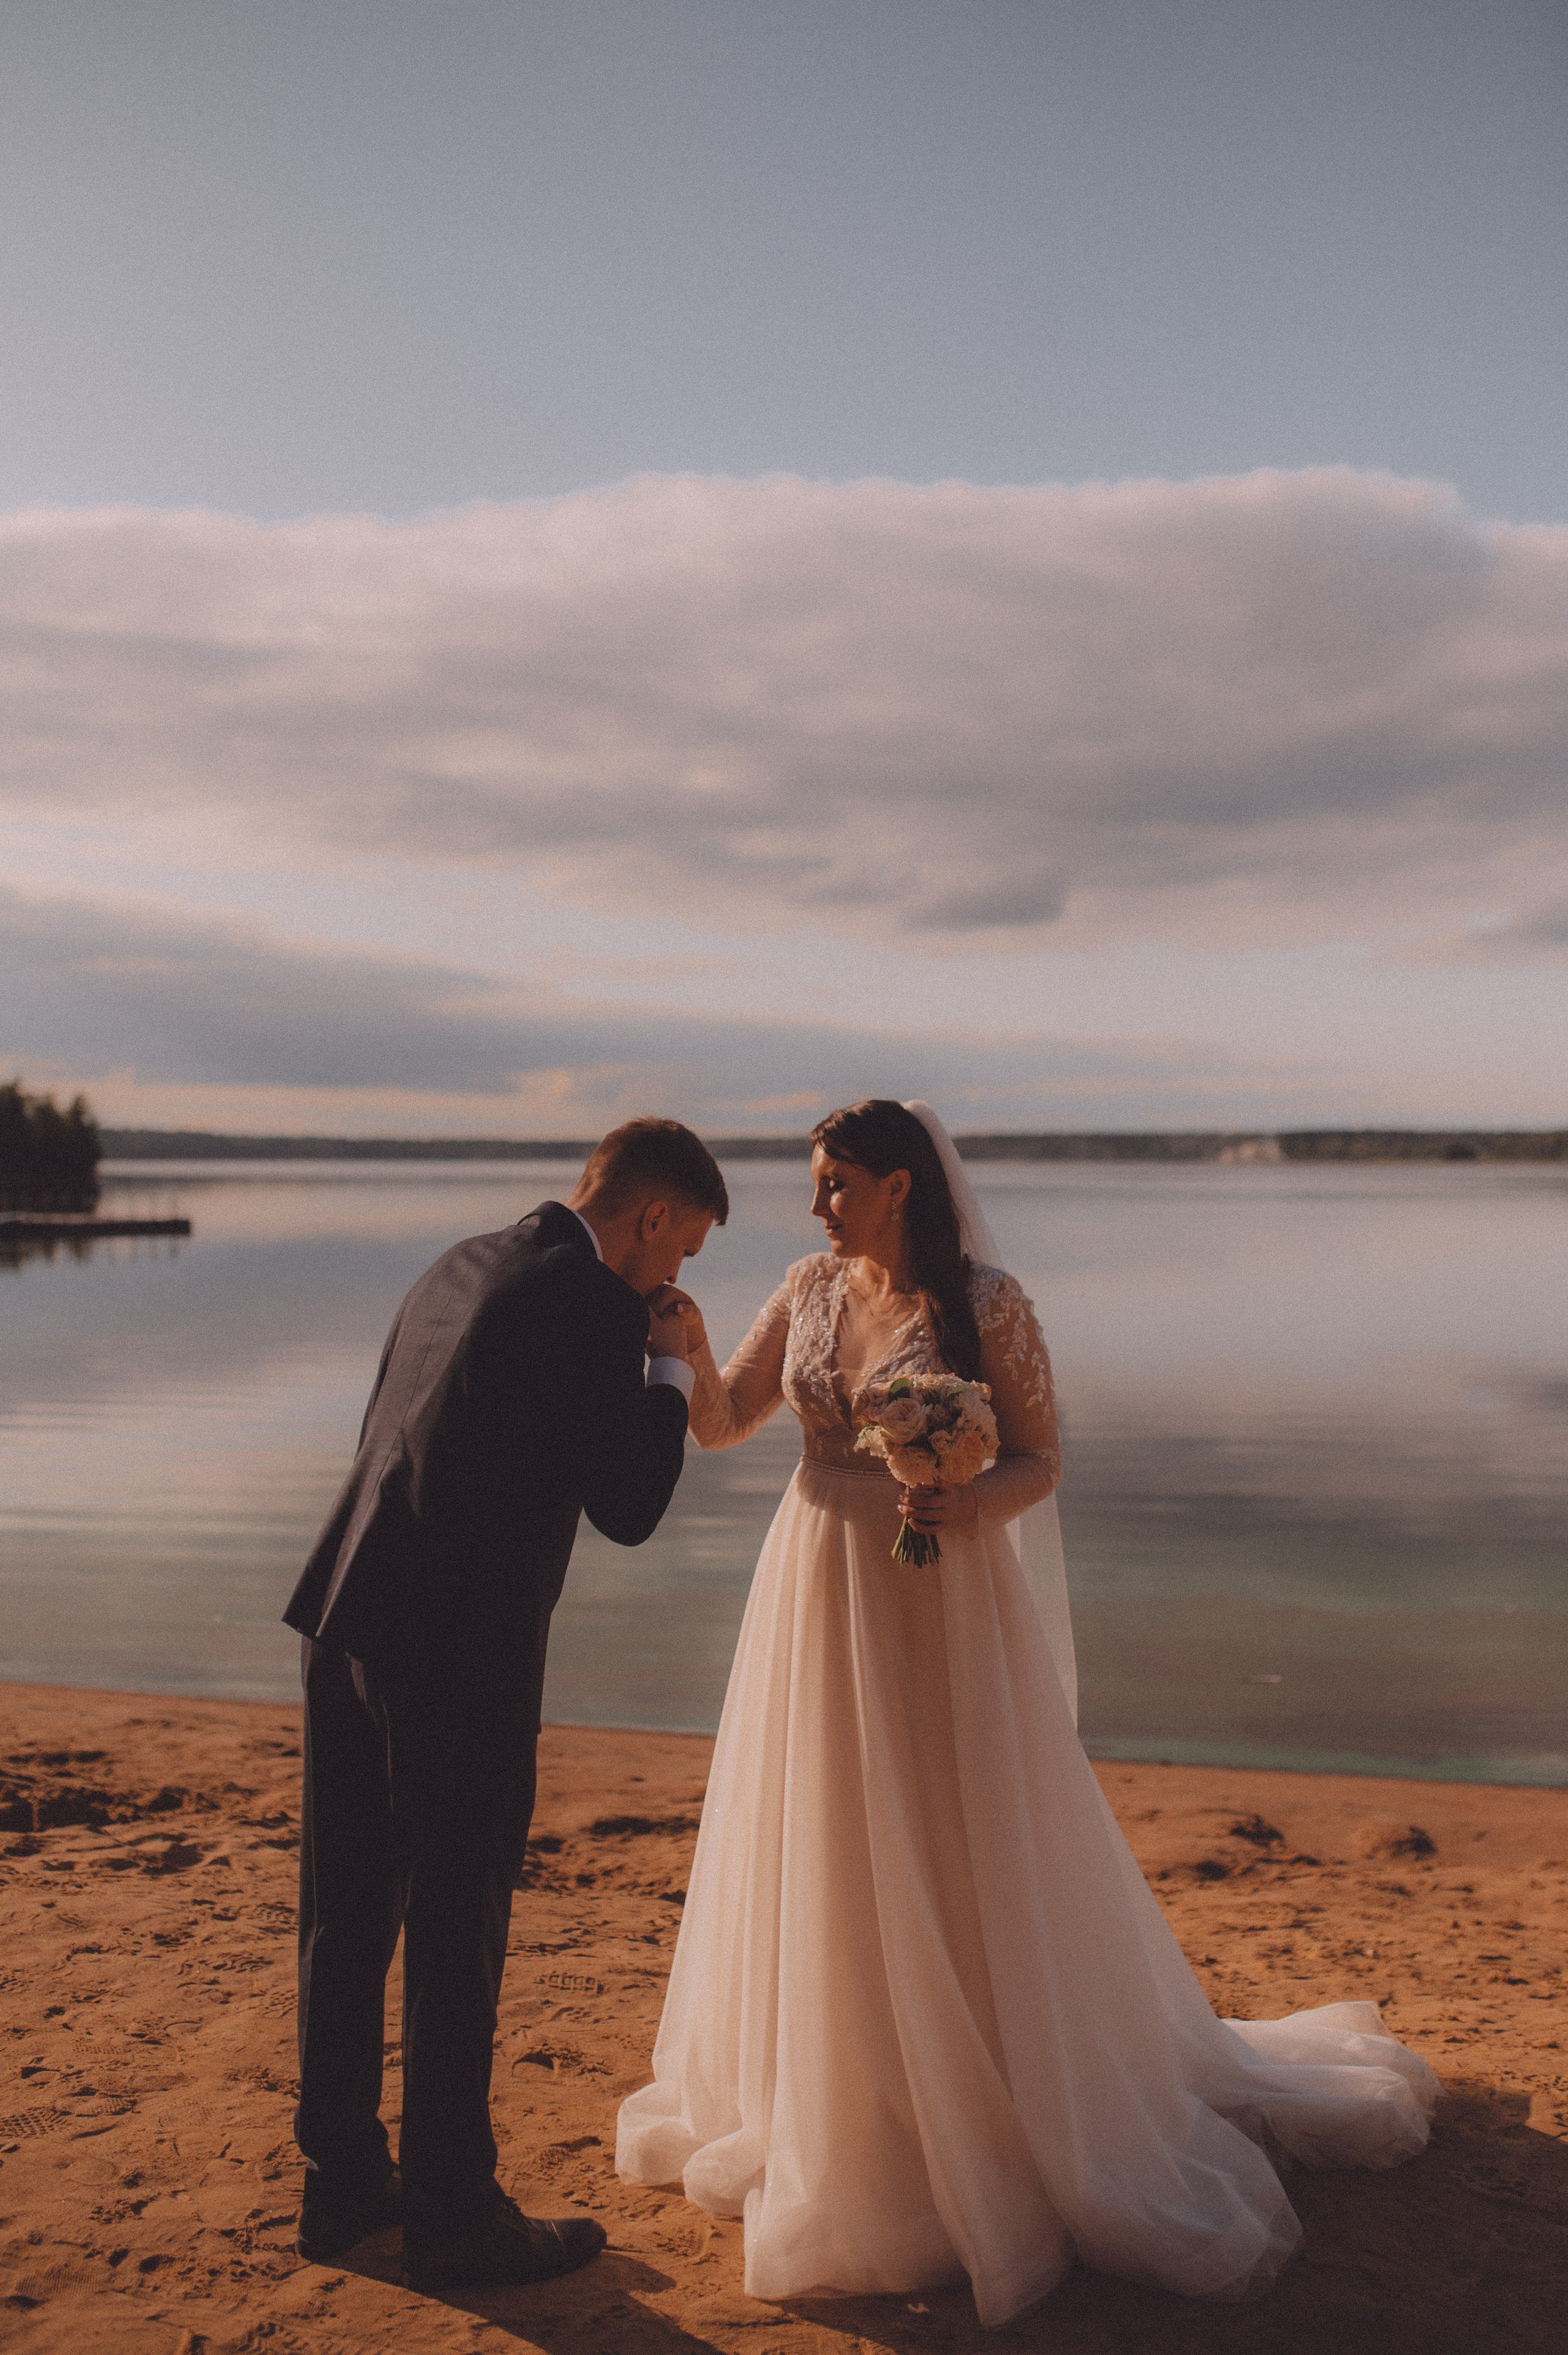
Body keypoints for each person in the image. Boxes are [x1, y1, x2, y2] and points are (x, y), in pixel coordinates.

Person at [616, 1098, 1438, 2327]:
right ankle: (847, 2089)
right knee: (829, 1824)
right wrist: (672, 1341)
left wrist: (967, 1496)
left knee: (954, 1823)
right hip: (813, 1583)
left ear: (897, 1185)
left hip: (938, 1591)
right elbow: (731, 1421)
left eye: (835, 1182)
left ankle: (992, 2078)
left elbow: (1040, 1459)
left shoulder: (986, 1304)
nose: (816, 1204)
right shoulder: (804, 1287)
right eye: (814, 1182)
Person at [283, 1116, 728, 2293]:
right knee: (456, 1931)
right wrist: (670, 1368)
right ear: (650, 1218)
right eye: (683, 1252)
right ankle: (452, 2211)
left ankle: (341, 2186)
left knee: (345, 1913)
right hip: (459, 1656)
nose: (678, 1278)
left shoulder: (459, 1262)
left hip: (350, 1618)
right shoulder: (587, 1304)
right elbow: (630, 1504)